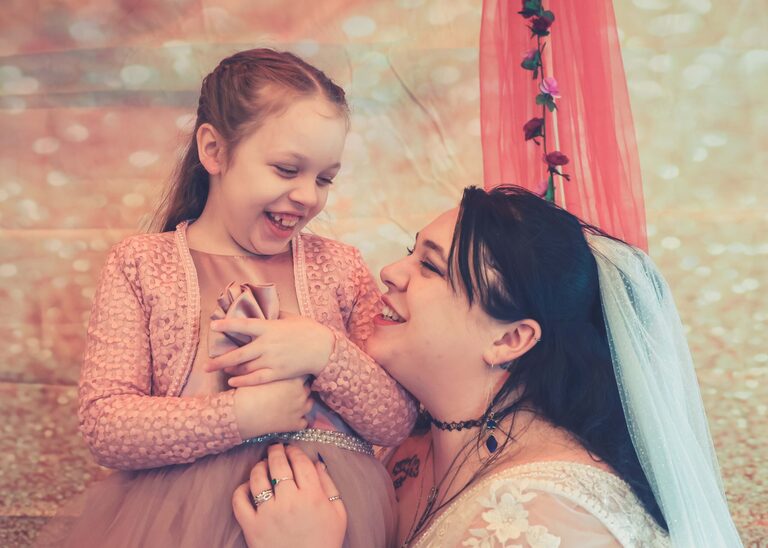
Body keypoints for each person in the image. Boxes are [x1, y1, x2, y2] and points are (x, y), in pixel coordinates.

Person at [38, 48, 416, 548]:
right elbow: (106, 427)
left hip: (326, 519)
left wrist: (324, 352)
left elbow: (396, 419)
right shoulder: (141, 264)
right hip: (176, 522)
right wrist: (241, 416)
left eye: (324, 178)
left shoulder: (339, 267)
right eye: (287, 169)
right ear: (214, 151)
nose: (309, 196)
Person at [234, 185, 742, 547]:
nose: (390, 272)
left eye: (429, 266)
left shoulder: (549, 519)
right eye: (411, 252)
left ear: (509, 339)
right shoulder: (399, 441)